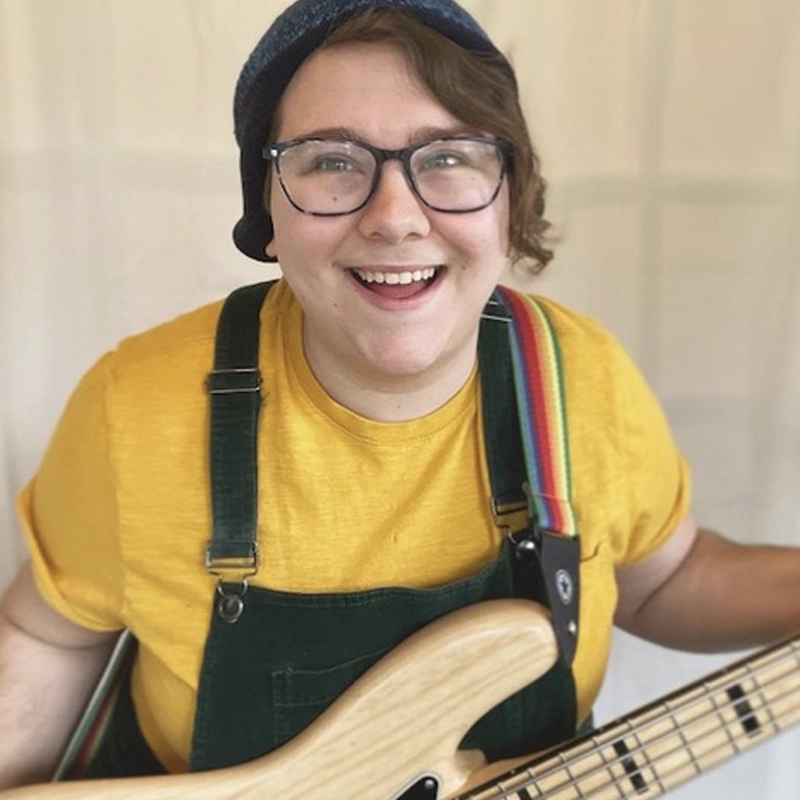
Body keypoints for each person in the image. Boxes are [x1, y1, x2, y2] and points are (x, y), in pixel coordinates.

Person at [2, 0, 800, 792]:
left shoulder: (581, 379)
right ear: (268, 209)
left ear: (508, 195)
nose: (395, 218)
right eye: (332, 160)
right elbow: (47, 636)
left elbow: (666, 578)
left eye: (448, 156)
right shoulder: (138, 408)